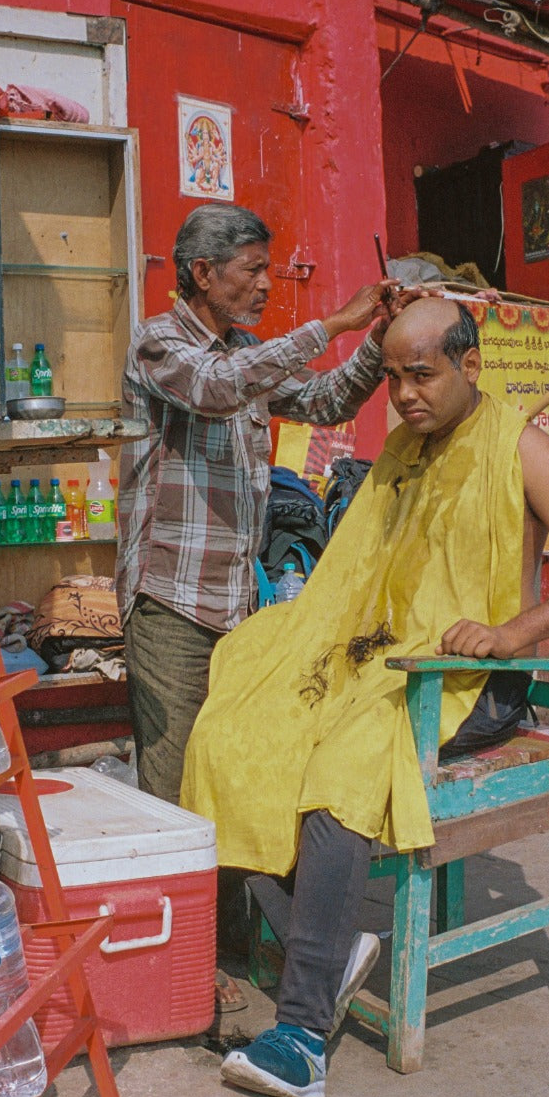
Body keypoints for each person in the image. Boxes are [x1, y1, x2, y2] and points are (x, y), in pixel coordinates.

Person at [181, 295, 549, 1097]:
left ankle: (303, 1034)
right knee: (239, 728)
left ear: (471, 365)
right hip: (384, 660)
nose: (406, 395)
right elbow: (360, 575)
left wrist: (508, 632)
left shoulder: (525, 449)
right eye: (393, 379)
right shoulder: (404, 450)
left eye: (421, 376)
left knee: (348, 764)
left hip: (473, 684)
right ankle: (324, 936)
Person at [115, 203, 404, 1004]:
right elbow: (215, 388)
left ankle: (229, 961)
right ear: (203, 274)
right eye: (253, 270)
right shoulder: (160, 343)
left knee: (238, 778)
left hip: (237, 610)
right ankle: (185, 978)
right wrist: (332, 321)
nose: (267, 286)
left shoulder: (252, 354)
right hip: (170, 601)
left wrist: (376, 338)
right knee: (176, 794)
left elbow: (328, 403)